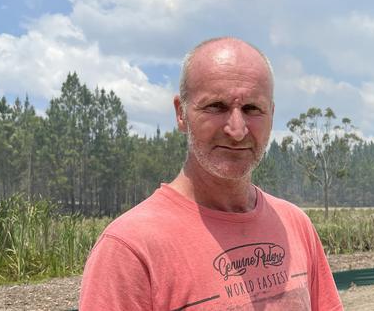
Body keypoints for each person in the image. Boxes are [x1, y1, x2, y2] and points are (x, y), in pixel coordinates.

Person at [79, 37, 343, 310]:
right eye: (216, 107)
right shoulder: (129, 249)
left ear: (271, 115)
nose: (237, 130)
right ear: (181, 113)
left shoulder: (295, 225)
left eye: (253, 109)